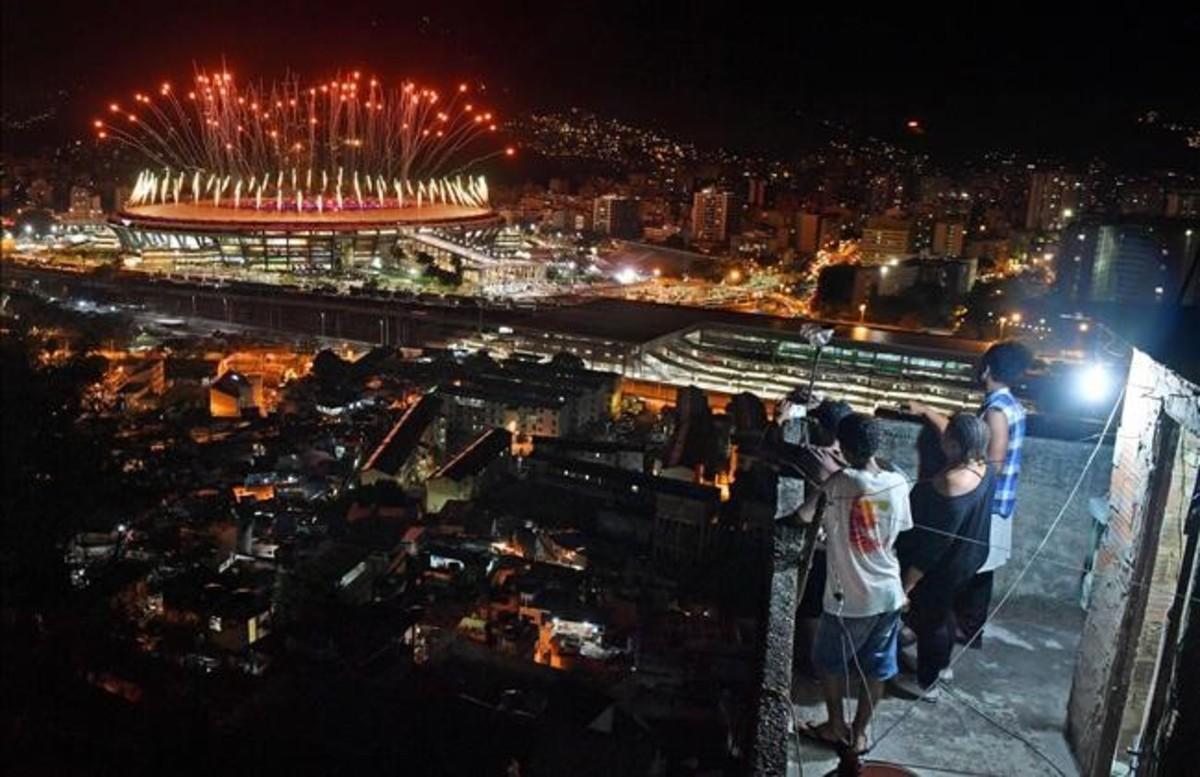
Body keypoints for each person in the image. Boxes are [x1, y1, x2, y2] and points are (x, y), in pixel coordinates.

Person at [795, 413, 913, 754]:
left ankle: (835, 726)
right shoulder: (898, 483)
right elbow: (894, 530)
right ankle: (859, 734)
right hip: (888, 594)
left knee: (828, 663)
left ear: (843, 448)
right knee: (875, 670)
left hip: (849, 598)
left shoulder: (840, 482)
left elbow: (802, 517)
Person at [908, 340, 1030, 645]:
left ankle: (959, 634)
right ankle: (965, 632)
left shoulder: (997, 411)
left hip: (988, 505)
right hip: (1000, 502)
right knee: (978, 571)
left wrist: (965, 476)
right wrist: (928, 411)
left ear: (987, 369)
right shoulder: (1011, 404)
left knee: (967, 572)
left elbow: (994, 460)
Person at [893, 414, 995, 699]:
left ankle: (926, 684)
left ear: (954, 444)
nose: (942, 440)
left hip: (945, 564)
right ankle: (942, 668)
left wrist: (908, 584)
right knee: (945, 612)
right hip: (971, 556)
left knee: (932, 619)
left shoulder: (951, 482)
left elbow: (935, 545)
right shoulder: (984, 467)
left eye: (947, 436)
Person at [793, 400, 854, 672]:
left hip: (822, 544)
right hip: (850, 546)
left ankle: (815, 666)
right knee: (832, 608)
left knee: (811, 607)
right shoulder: (855, 459)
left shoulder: (816, 456)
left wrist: (782, 419)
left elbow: (773, 449)